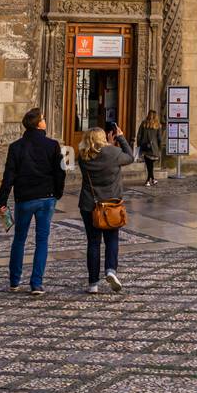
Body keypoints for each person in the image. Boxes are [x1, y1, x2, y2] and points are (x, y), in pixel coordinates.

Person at [0, 108, 65, 295]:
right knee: (42, 241)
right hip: (46, 197)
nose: (45, 121)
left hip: (24, 198)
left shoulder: (16, 147)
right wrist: (58, 193)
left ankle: (14, 280)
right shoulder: (52, 145)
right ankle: (36, 283)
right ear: (38, 123)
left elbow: (8, 176)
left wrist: (1, 201)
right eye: (43, 118)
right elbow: (60, 172)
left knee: (19, 239)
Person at [77, 124, 133, 294]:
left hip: (90, 205)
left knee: (93, 243)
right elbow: (130, 157)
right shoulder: (113, 154)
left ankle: (93, 283)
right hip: (111, 204)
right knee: (112, 239)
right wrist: (120, 137)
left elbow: (97, 154)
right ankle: (110, 270)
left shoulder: (83, 156)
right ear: (104, 138)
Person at [136, 109, 161, 187]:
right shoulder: (158, 125)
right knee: (150, 165)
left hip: (145, 147)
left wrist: (139, 144)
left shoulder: (144, 123)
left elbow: (139, 135)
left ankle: (148, 180)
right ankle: (152, 180)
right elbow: (159, 138)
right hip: (154, 148)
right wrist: (159, 147)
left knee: (149, 165)